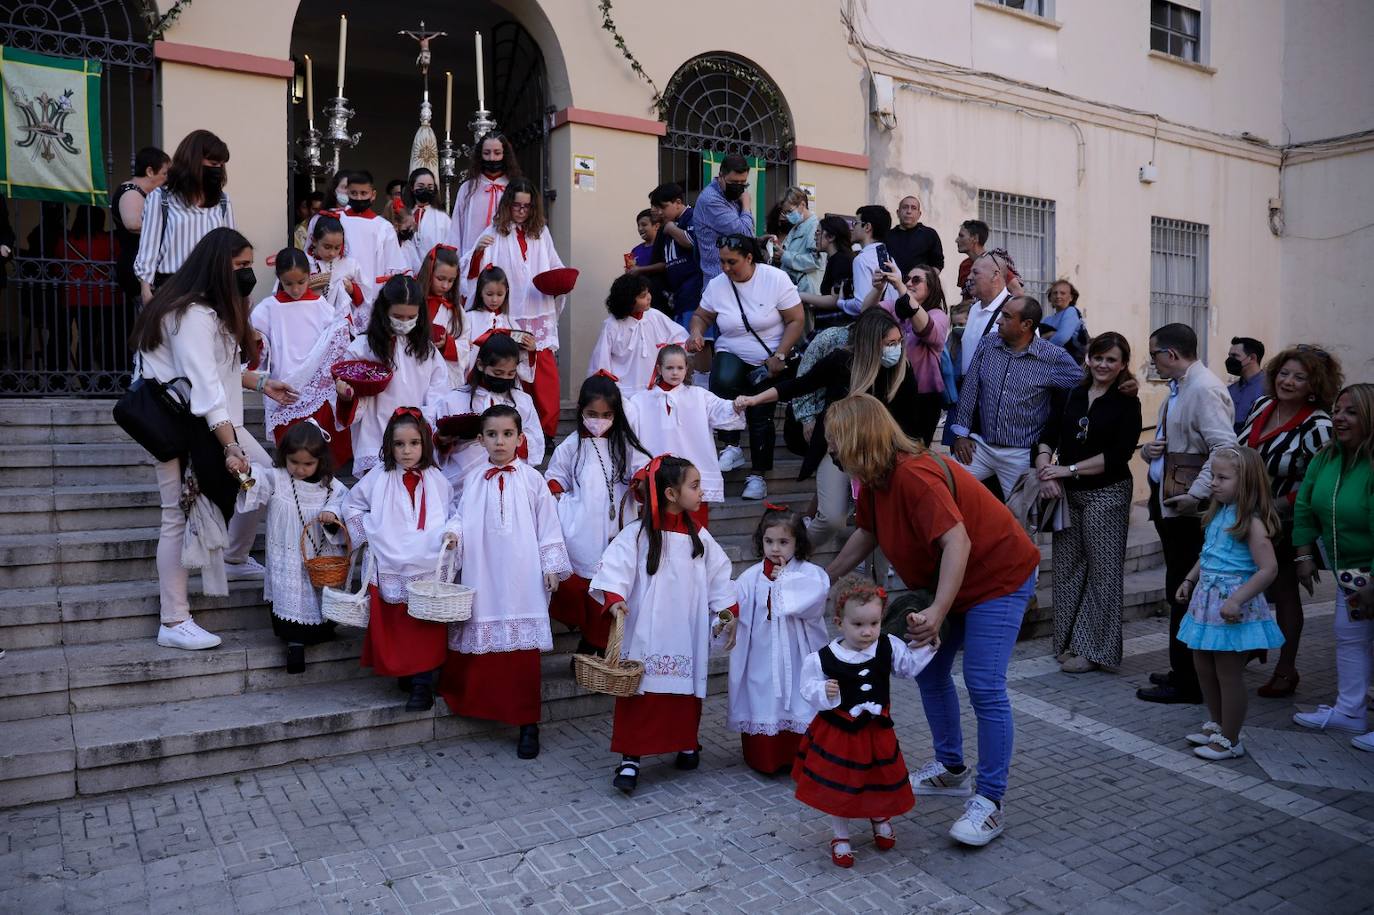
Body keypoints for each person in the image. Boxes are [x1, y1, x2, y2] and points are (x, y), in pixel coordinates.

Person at [824, 393, 1042, 847]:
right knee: (931, 673)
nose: (831, 450)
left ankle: (990, 801)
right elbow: (867, 532)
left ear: (858, 439)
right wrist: (824, 579)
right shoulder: (877, 479)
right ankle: (951, 768)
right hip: (951, 583)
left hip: (998, 578)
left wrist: (938, 611)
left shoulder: (913, 474)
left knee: (984, 684)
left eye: (834, 440)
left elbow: (957, 543)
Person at [129, 227, 279, 650]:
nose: (248, 274)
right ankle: (174, 620)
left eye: (250, 265)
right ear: (217, 266)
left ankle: (234, 557)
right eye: (240, 266)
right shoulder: (191, 314)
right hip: (180, 426)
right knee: (176, 516)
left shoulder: (210, 310)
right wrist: (230, 445)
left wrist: (261, 382)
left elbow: (220, 372)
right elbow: (204, 384)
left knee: (264, 480)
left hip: (213, 421)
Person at [590, 455, 739, 794]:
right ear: (671, 493)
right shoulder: (636, 535)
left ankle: (686, 743)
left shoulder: (700, 536)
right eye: (695, 486)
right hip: (647, 630)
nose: (701, 492)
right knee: (641, 693)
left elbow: (720, 576)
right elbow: (614, 568)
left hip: (686, 630)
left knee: (684, 692)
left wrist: (726, 611)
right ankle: (631, 757)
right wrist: (615, 598)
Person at [735, 309, 925, 554]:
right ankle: (794, 556)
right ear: (870, 343)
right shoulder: (841, 361)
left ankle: (878, 575)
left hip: (880, 453)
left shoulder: (902, 370)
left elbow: (911, 421)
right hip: (838, 448)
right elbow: (800, 385)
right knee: (832, 518)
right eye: (890, 343)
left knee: (880, 521)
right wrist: (755, 399)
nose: (896, 349)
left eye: (899, 342)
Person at [440, 404, 570, 759]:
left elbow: (548, 526)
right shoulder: (474, 479)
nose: (500, 441)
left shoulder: (533, 480)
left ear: (520, 438)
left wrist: (551, 565)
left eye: (507, 434)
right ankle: (482, 703)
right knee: (483, 634)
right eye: (492, 435)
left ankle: (528, 724)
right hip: (484, 571)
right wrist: (453, 534)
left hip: (523, 575)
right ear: (480, 440)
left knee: (522, 652)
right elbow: (460, 516)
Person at [793, 578, 936, 867]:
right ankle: (840, 835)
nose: (867, 631)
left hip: (877, 732)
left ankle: (879, 816)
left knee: (878, 776)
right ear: (839, 623)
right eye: (858, 624)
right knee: (840, 785)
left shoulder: (887, 646)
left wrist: (926, 643)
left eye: (874, 623)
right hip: (840, 735)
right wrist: (823, 691)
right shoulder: (822, 659)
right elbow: (807, 688)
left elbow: (907, 667)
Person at [1137, 323, 1238, 705]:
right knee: (1177, 588)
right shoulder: (1181, 388)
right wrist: (1149, 452)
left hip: (1187, 509)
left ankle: (1189, 681)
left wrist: (1196, 495)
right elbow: (1180, 441)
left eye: (1155, 355)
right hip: (1171, 504)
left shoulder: (1204, 389)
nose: (1153, 362)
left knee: (1185, 590)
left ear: (1172, 354)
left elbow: (1225, 448)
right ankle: (1182, 669)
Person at [1235, 345, 1340, 697]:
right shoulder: (1262, 405)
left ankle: (1286, 668)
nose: (1288, 381)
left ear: (1315, 385)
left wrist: (1275, 506)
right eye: (1284, 373)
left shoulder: (1319, 425)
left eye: (1299, 377)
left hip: (1284, 524)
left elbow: (1318, 483)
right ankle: (1250, 645)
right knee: (1242, 585)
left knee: (1283, 593)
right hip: (1245, 518)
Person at [1036, 332, 1143, 672]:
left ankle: (1093, 650)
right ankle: (1066, 642)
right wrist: (1045, 470)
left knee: (1103, 572)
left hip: (1108, 492)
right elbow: (1048, 434)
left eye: (1111, 359)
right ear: (1088, 358)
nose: (1103, 364)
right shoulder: (1073, 393)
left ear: (1123, 365)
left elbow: (1118, 455)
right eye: (1098, 357)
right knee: (1066, 569)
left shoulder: (1127, 402)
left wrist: (1065, 470)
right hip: (1068, 493)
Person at [342, 408, 461, 711]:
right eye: (399, 444)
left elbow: (452, 513)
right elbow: (352, 505)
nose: (407, 451)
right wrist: (370, 532)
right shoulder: (378, 477)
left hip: (427, 563)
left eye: (414, 443)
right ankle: (408, 674)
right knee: (399, 626)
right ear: (389, 445)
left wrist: (451, 533)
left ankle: (422, 684)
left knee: (425, 625)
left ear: (425, 444)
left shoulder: (437, 479)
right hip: (391, 558)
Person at [1175, 446, 1282, 760]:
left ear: (1246, 483)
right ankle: (1218, 724)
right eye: (1213, 476)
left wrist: (1237, 600)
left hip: (1232, 606)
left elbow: (1269, 569)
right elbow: (1208, 554)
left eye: (1222, 478)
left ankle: (1231, 739)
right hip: (1207, 601)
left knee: (1228, 673)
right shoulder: (1219, 513)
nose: (1213, 483)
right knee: (1203, 666)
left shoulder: (1252, 523)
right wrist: (1189, 579)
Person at [688, 234, 806, 501]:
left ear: (749, 258)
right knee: (723, 379)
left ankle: (758, 475)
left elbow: (796, 320)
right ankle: (731, 445)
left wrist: (780, 354)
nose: (725, 268)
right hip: (732, 349)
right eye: (722, 262)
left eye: (732, 262)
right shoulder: (718, 284)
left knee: (760, 412)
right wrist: (696, 332)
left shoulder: (775, 279)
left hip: (769, 358)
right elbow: (702, 315)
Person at [1292, 383, 1374, 751]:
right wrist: (1304, 553)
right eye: (1337, 410)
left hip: (1369, 572)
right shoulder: (1327, 457)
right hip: (1349, 573)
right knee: (1350, 638)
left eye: (1351, 412)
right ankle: (1350, 712)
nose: (1339, 418)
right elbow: (1304, 505)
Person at [545, 373, 651, 656]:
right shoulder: (571, 445)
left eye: (606, 415)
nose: (599, 420)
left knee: (610, 583)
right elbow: (554, 478)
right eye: (592, 414)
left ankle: (598, 646)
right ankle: (589, 642)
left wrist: (641, 480)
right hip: (582, 527)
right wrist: (562, 500)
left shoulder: (625, 444)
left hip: (618, 527)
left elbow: (643, 468)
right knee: (584, 585)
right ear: (581, 411)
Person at [235, 421, 349, 673]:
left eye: (308, 464)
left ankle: (323, 629)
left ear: (321, 460)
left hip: (320, 556)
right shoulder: (278, 479)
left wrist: (332, 513)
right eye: (294, 462)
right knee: (290, 602)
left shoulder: (331, 486)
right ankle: (294, 645)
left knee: (323, 599)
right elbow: (256, 483)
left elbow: (344, 503)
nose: (300, 469)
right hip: (288, 554)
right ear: (284, 456)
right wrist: (245, 471)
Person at [728, 505, 830, 774]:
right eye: (769, 541)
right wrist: (726, 618)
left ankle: (803, 756)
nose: (775, 548)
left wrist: (786, 582)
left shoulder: (810, 573)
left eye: (783, 542)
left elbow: (815, 602)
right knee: (763, 695)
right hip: (761, 653)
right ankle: (766, 758)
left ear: (798, 543)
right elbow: (736, 607)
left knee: (800, 695)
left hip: (798, 653)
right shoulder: (750, 577)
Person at [461, 177, 566, 437]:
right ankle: (522, 429)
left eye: (526, 206)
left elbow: (554, 263)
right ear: (507, 204)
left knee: (544, 374)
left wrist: (560, 280)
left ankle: (547, 432)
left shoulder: (541, 232)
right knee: (514, 372)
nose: (521, 211)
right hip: (508, 312)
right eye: (516, 205)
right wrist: (477, 254)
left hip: (538, 308)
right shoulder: (494, 231)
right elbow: (474, 272)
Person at [950, 295, 1083, 498]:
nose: (998, 321)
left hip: (1021, 454)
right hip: (981, 447)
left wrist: (1124, 386)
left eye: (1006, 316)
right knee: (942, 481)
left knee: (1022, 514)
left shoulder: (1053, 357)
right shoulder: (988, 344)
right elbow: (970, 387)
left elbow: (1085, 384)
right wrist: (961, 434)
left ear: (1026, 324)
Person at [334, 276, 449, 477]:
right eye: (397, 316)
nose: (404, 322)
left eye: (410, 317)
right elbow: (349, 400)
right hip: (374, 438)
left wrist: (423, 425)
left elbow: (438, 393)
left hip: (415, 440)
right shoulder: (363, 348)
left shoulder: (427, 351)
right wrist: (347, 396)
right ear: (384, 311)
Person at [251, 247, 352, 466]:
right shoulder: (267, 308)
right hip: (283, 386)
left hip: (316, 387)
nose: (296, 289)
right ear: (279, 279)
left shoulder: (321, 306)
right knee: (291, 449)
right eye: (288, 283)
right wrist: (258, 340)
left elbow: (333, 341)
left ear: (309, 277)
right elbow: (256, 345)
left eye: (301, 282)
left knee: (319, 450)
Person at [626, 344, 743, 527]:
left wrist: (736, 405)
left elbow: (722, 410)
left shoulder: (699, 396)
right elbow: (631, 437)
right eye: (669, 368)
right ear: (659, 369)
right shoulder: (640, 401)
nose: (675, 373)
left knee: (695, 531)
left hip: (694, 474)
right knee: (659, 532)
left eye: (680, 368)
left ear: (687, 368)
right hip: (658, 475)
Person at [431, 332, 544, 497]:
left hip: (510, 483)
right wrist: (442, 441)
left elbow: (536, 441)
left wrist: (509, 436)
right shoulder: (453, 400)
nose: (504, 378)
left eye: (510, 374)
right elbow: (434, 449)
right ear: (480, 365)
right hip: (462, 484)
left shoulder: (522, 401)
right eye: (498, 373)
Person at [133, 130, 233, 302]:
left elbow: (231, 248)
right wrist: (145, 289)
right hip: (172, 288)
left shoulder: (222, 201)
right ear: (193, 161)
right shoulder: (161, 198)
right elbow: (149, 247)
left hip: (212, 290)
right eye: (213, 163)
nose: (218, 169)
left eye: (221, 165)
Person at [868, 261, 950, 445]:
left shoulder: (938, 315)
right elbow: (867, 315)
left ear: (931, 287)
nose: (909, 283)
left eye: (916, 280)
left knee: (915, 450)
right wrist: (878, 289)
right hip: (891, 390)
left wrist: (900, 287)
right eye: (907, 279)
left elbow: (926, 329)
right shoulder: (895, 308)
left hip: (923, 398)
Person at [445, 131, 520, 305]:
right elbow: (456, 228)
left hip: (506, 259)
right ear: (480, 155)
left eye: (497, 153)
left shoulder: (514, 187)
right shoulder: (468, 188)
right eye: (487, 153)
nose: (492, 158)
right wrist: (454, 263)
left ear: (505, 155)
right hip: (474, 260)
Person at [587, 274, 688, 396]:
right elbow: (601, 360)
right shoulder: (612, 325)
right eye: (643, 296)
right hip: (621, 391)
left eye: (648, 292)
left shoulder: (655, 316)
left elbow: (679, 336)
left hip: (652, 389)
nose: (649, 297)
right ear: (628, 300)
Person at [456, 266, 535, 387]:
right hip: (474, 380)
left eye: (500, 294)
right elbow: (460, 349)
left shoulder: (511, 323)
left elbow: (519, 360)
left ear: (506, 292)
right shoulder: (469, 318)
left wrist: (530, 349)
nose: (494, 299)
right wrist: (465, 346)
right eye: (489, 294)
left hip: (504, 382)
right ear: (480, 292)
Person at [111, 146, 169, 303]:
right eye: (164, 173)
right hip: (135, 266)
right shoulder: (131, 192)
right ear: (150, 171)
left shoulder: (147, 194)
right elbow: (134, 224)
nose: (167, 179)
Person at [339, 170, 407, 305]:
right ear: (347, 193)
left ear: (373, 195)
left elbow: (393, 265)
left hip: (373, 295)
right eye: (354, 193)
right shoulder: (338, 219)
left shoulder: (384, 227)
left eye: (364, 193)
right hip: (341, 291)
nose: (359, 198)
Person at [647, 183, 704, 337]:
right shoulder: (667, 225)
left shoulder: (691, 216)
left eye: (663, 207)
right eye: (656, 207)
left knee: (694, 340)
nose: (659, 212)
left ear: (678, 202)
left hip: (694, 293)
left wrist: (672, 229)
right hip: (678, 295)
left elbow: (692, 242)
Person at [694, 155, 757, 285]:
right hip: (720, 279)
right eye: (734, 182)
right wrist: (746, 205)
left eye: (743, 183)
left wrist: (759, 240)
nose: (739, 187)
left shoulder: (733, 198)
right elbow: (745, 234)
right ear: (721, 176)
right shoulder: (711, 200)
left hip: (737, 278)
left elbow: (747, 234)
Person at [302, 214, 367, 331]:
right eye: (327, 247)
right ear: (314, 241)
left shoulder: (349, 264)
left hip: (339, 326)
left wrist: (352, 289)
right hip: (309, 322)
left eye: (337, 248)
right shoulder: (303, 262)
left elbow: (364, 298)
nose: (332, 253)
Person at [417, 244, 468, 387]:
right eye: (440, 278)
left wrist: (447, 344)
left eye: (451, 280)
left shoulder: (456, 310)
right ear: (429, 272)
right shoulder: (413, 300)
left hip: (442, 376)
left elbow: (465, 344)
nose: (445, 286)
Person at [957, 251, 1013, 379]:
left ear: (995, 275)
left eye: (975, 273)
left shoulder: (1016, 309)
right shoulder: (974, 308)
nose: (969, 277)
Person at [797, 216, 855, 335]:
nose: (815, 237)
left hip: (835, 329)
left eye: (818, 232)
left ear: (831, 237)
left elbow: (835, 300)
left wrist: (800, 295)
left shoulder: (841, 260)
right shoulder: (836, 259)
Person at [836, 205, 896, 316]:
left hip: (873, 323)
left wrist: (841, 303)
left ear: (867, 227)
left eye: (855, 223)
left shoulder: (862, 259)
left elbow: (861, 305)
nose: (852, 228)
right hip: (890, 321)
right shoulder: (890, 258)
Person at [399, 168, 452, 275]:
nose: (425, 190)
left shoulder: (443, 218)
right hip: (406, 274)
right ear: (412, 188)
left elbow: (449, 248)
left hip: (434, 273)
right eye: (421, 186)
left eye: (430, 187)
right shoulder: (402, 215)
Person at [774, 187, 823, 294]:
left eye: (790, 211)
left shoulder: (815, 227)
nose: (787, 216)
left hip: (807, 290)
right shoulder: (797, 226)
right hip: (793, 288)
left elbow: (815, 261)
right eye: (785, 213)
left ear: (802, 205)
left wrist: (784, 256)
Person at [885, 196, 944, 275]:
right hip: (892, 281)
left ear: (919, 214)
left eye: (913, 208)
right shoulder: (887, 236)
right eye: (905, 207)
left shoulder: (930, 235)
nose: (909, 211)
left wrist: (927, 279)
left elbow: (938, 264)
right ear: (898, 212)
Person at [1226, 336, 1267, 433]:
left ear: (1252, 358)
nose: (1230, 360)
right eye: (1229, 356)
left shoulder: (1269, 388)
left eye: (1235, 356)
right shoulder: (1230, 389)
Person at [1039, 280, 1086, 360]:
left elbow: (1061, 338)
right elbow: (1035, 339)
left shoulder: (1071, 311)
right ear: (1050, 297)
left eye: (1063, 293)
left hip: (1069, 361)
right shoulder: (1046, 319)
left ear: (1071, 297)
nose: (1058, 296)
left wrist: (1041, 351)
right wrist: (1047, 335)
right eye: (1055, 293)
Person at [953, 219, 988, 308]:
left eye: (961, 236)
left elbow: (1017, 292)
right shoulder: (964, 265)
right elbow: (965, 298)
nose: (956, 240)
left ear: (975, 238)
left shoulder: (994, 263)